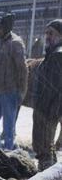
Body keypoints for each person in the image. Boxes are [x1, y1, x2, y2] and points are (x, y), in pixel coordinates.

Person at [0, 13, 28, 150]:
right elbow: (1, 65)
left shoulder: (16, 43)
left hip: (10, 92)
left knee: (8, 127)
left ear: (6, 27)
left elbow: (22, 69)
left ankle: (8, 155)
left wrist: (21, 91)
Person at [31, 20, 62, 169]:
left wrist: (45, 113)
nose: (47, 36)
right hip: (46, 111)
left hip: (47, 112)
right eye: (46, 33)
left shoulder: (57, 56)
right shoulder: (52, 54)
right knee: (46, 149)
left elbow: (54, 89)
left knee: (45, 151)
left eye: (51, 33)